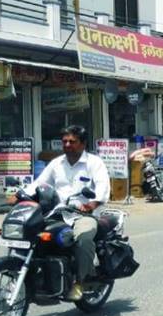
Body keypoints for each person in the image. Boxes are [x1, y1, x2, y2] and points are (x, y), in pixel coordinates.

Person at [25, 125, 110, 301]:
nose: (67, 144)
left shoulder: (95, 163)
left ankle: (83, 282)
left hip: (84, 215)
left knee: (83, 239)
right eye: (65, 141)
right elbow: (39, 183)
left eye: (72, 141)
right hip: (58, 213)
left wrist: (92, 204)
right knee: (31, 233)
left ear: (83, 143)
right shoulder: (56, 163)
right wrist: (21, 195)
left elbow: (103, 186)